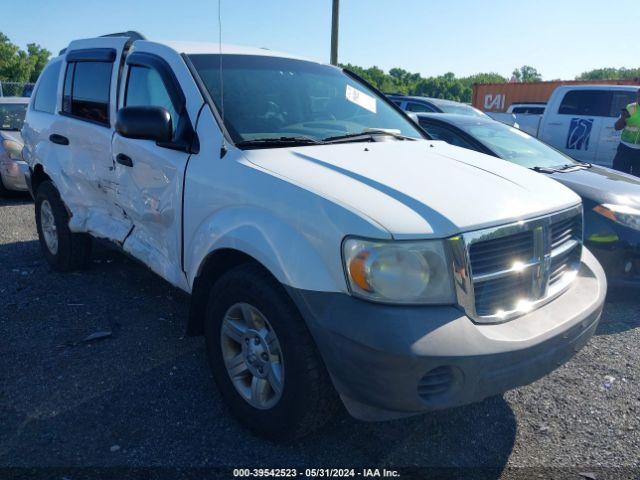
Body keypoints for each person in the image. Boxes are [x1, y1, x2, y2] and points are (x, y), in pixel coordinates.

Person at [613, 88, 640, 175]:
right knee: (619, 177)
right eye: (639, 96)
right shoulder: (630, 108)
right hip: (625, 149)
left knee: (637, 181)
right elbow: (617, 127)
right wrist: (622, 118)